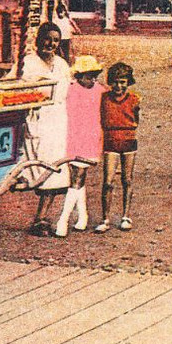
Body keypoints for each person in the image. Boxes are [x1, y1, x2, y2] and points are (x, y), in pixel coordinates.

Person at [19, 22, 72, 236]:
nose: (50, 44)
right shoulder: (27, 62)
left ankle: (41, 218)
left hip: (58, 121)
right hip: (36, 119)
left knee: (55, 168)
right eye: (47, 39)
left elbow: (68, 91)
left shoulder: (61, 64)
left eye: (55, 40)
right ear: (38, 40)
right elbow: (13, 85)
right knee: (36, 167)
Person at [53, 54, 102, 237]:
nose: (92, 79)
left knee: (78, 178)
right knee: (77, 178)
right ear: (79, 76)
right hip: (73, 137)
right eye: (88, 76)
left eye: (94, 75)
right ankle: (83, 216)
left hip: (90, 138)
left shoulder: (99, 90)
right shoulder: (70, 90)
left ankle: (63, 219)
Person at [96, 61, 140, 232]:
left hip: (129, 140)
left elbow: (136, 119)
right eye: (115, 81)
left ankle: (126, 215)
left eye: (122, 82)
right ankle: (105, 218)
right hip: (110, 141)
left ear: (128, 82)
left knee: (127, 179)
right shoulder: (104, 98)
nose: (118, 85)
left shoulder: (134, 99)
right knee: (108, 181)